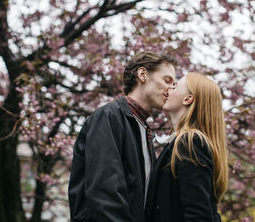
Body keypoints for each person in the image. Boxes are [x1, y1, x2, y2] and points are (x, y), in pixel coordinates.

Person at [68, 51, 177, 222]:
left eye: (175, 84)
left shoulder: (144, 130)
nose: (172, 89)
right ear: (142, 74)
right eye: (167, 80)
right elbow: (104, 193)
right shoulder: (108, 117)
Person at [145, 72, 229, 222]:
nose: (169, 88)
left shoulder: (190, 142)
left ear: (188, 99)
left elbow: (198, 215)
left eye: (175, 85)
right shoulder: (181, 141)